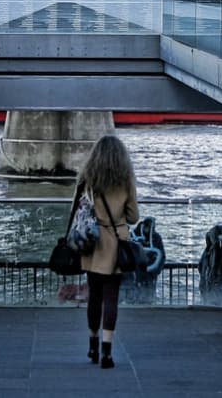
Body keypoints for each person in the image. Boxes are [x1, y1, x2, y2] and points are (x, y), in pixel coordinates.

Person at [77, 135, 139, 369]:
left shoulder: (87, 179)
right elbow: (134, 217)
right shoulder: (125, 181)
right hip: (115, 243)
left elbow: (77, 208)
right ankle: (107, 352)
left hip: (91, 243)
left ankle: (92, 345)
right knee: (111, 297)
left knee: (94, 295)